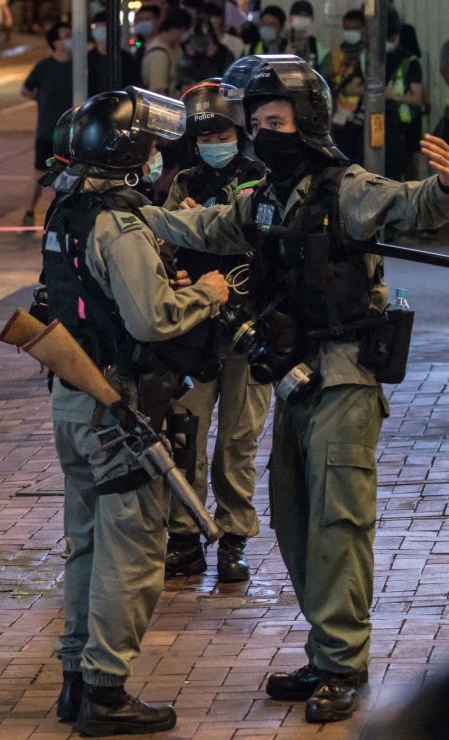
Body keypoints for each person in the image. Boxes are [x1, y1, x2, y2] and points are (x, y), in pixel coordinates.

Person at [139, 54, 449, 724]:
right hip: (293, 378)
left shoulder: (347, 187)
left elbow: (414, 206)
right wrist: (135, 216)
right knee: (295, 517)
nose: (261, 133)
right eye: (256, 123)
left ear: (305, 120)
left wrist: (447, 185)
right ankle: (325, 648)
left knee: (339, 523)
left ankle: (342, 662)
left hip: (343, 377)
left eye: (275, 120)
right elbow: (211, 225)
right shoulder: (270, 196)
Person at [40, 86, 229, 735]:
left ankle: (76, 678)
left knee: (87, 546)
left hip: (75, 398)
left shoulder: (69, 208)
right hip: (118, 407)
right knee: (133, 553)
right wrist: (207, 292)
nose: (157, 159)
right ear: (129, 153)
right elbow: (151, 320)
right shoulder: (118, 226)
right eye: (151, 148)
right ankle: (106, 690)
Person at [161, 79, 268, 581]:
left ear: (238, 131)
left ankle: (233, 539)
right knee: (185, 436)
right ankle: (184, 536)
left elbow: (259, 234)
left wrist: (202, 223)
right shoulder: (184, 181)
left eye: (221, 132)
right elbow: (164, 244)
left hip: (251, 328)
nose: (213, 142)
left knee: (236, 443)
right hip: (195, 327)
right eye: (204, 134)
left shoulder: (262, 179)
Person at [19, 21, 71, 228]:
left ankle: (64, 211)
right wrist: (42, 99)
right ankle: (29, 211)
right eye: (66, 35)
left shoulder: (80, 65)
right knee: (40, 172)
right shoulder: (45, 66)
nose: (71, 39)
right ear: (56, 43)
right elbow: (25, 89)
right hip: (48, 129)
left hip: (72, 132)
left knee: (70, 173)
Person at [323, 10, 365, 166]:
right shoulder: (336, 54)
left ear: (364, 29)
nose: (351, 33)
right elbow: (327, 82)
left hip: (362, 120)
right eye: (348, 28)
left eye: (355, 28)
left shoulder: (367, 55)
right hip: (340, 119)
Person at [384, 14, 422, 183]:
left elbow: (417, 98)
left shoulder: (410, 62)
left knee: (408, 168)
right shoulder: (379, 59)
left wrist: (392, 96)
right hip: (387, 125)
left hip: (406, 126)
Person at [141, 8, 190, 98]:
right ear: (174, 29)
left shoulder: (175, 48)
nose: (184, 34)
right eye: (183, 30)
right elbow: (159, 93)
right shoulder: (159, 55)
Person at [89, 10, 141, 96]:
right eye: (97, 26)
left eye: (104, 26)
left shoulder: (126, 59)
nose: (100, 30)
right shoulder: (88, 59)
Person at [286, 1, 326, 72]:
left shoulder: (318, 49)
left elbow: (323, 79)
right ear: (290, 18)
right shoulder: (281, 43)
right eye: (298, 15)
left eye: (305, 15)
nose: (301, 19)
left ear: (312, 19)